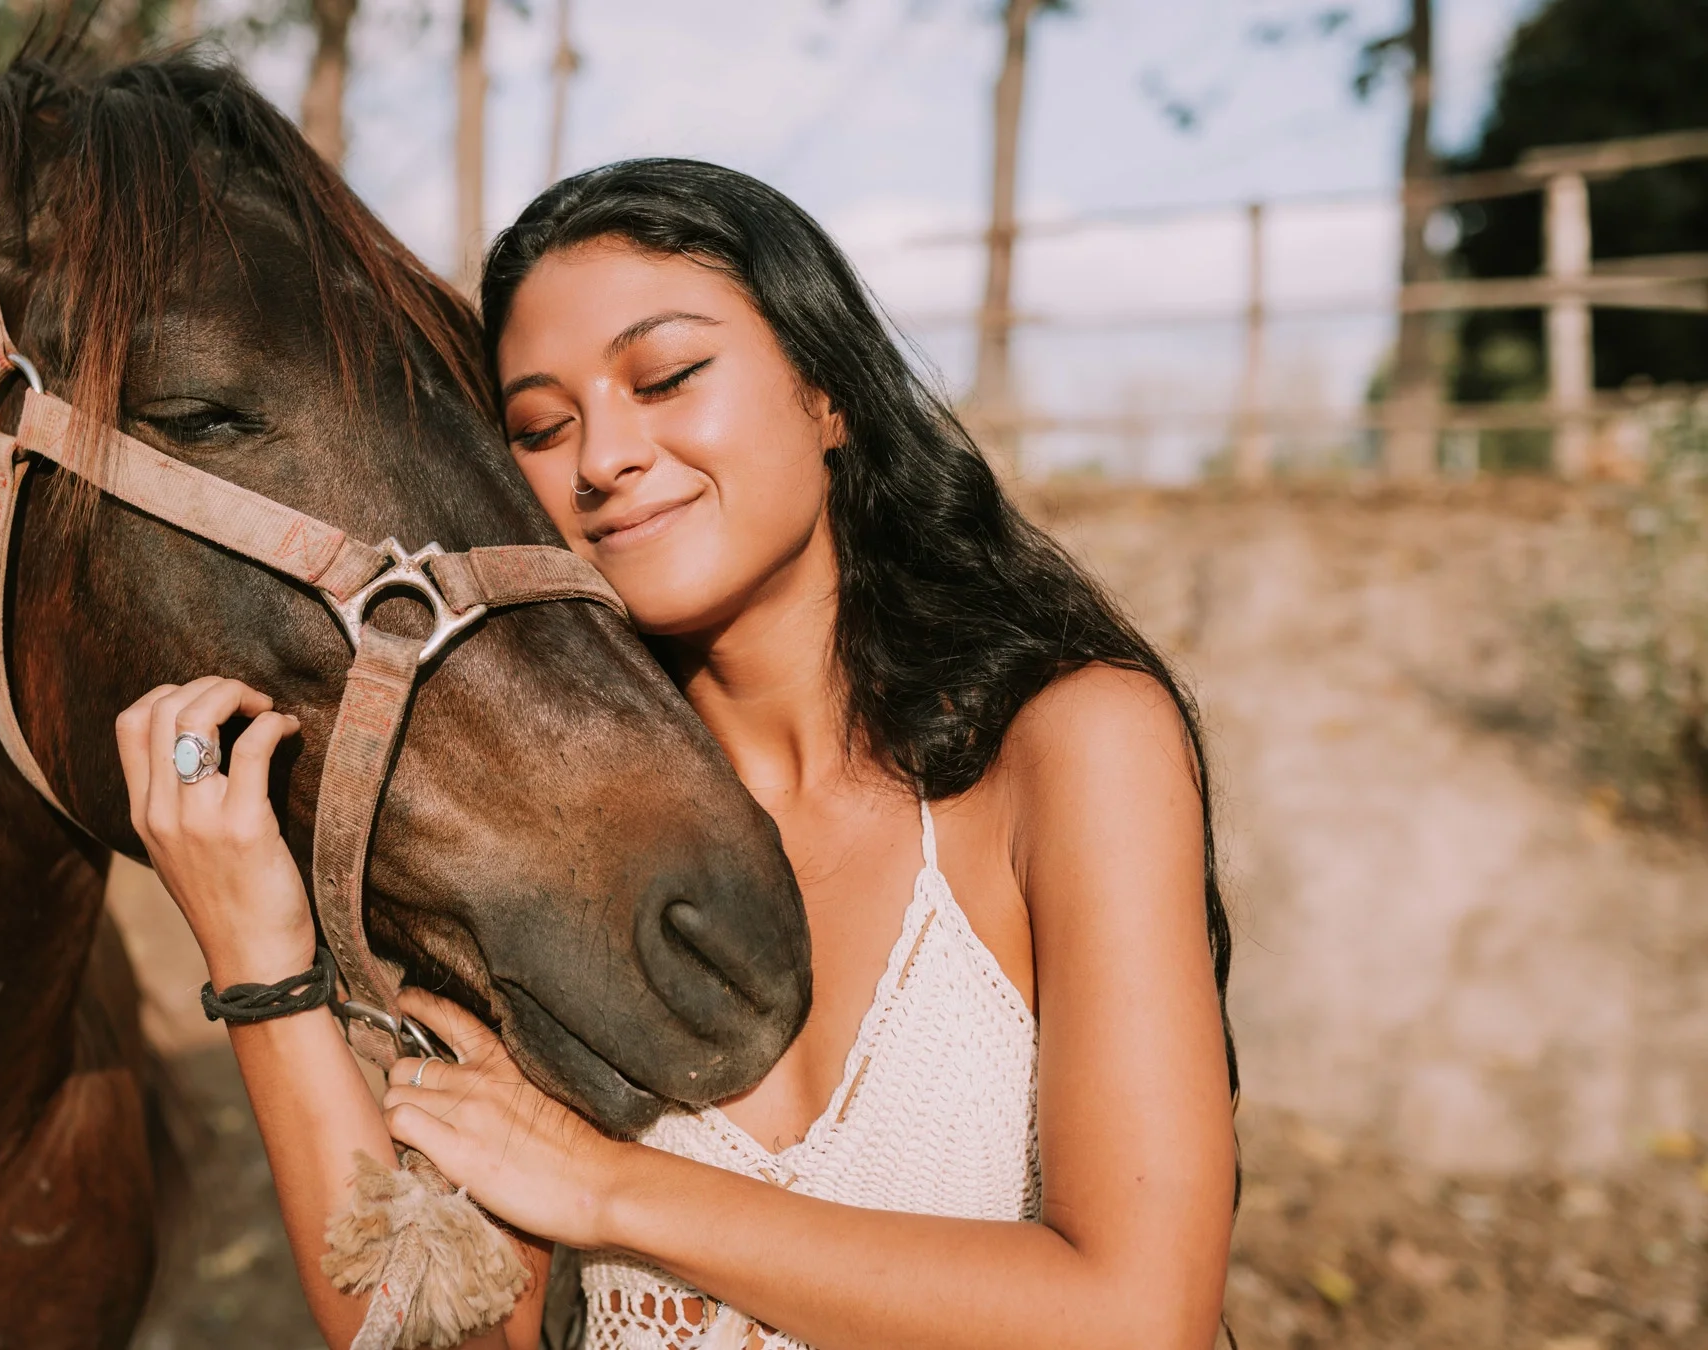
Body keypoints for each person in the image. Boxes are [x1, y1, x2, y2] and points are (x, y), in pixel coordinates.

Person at [114, 158, 1236, 1350]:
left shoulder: (1071, 751)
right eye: (540, 428)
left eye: (668, 377)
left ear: (827, 392)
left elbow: (1137, 1314)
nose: (603, 458)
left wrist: (608, 1189)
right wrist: (264, 969)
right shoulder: (542, 832)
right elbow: (430, 1336)